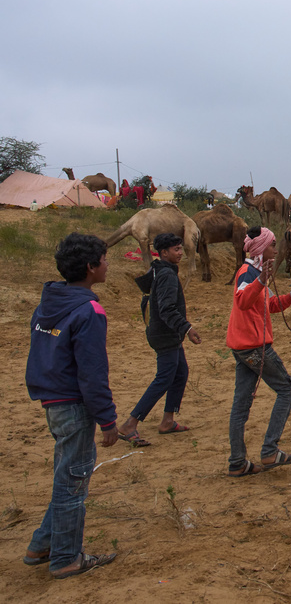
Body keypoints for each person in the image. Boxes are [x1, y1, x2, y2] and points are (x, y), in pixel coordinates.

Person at [24, 233, 118, 578]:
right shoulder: (89, 310)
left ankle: (41, 544)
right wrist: (107, 420)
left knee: (66, 475)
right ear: (92, 268)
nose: (108, 265)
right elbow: (92, 372)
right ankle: (66, 558)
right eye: (105, 260)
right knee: (73, 482)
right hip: (75, 405)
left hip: (51, 400)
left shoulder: (49, 302)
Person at [225, 226, 291, 477]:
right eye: (273, 244)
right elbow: (243, 301)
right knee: (286, 389)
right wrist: (262, 280)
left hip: (242, 347)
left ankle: (237, 463)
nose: (276, 249)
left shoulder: (255, 273)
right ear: (261, 248)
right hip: (254, 347)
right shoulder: (248, 273)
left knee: (240, 406)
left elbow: (271, 305)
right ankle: (269, 450)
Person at [117, 233, 201, 446]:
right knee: (164, 378)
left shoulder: (159, 270)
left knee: (180, 373)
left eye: (180, 249)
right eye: (176, 250)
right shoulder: (167, 275)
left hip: (164, 333)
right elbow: (166, 309)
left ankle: (168, 420)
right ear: (164, 253)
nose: (180, 253)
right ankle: (130, 424)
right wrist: (187, 328)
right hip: (165, 334)